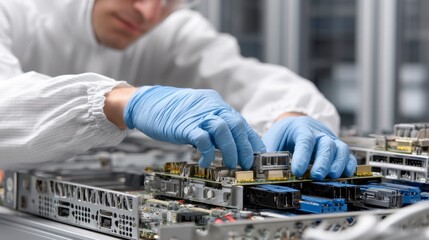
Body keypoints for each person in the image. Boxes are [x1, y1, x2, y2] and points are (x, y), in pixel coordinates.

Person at [0, 0, 356, 180]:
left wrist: (293, 114)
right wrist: (118, 101)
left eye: (169, 0)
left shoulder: (169, 30)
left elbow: (247, 77)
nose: (149, 13)